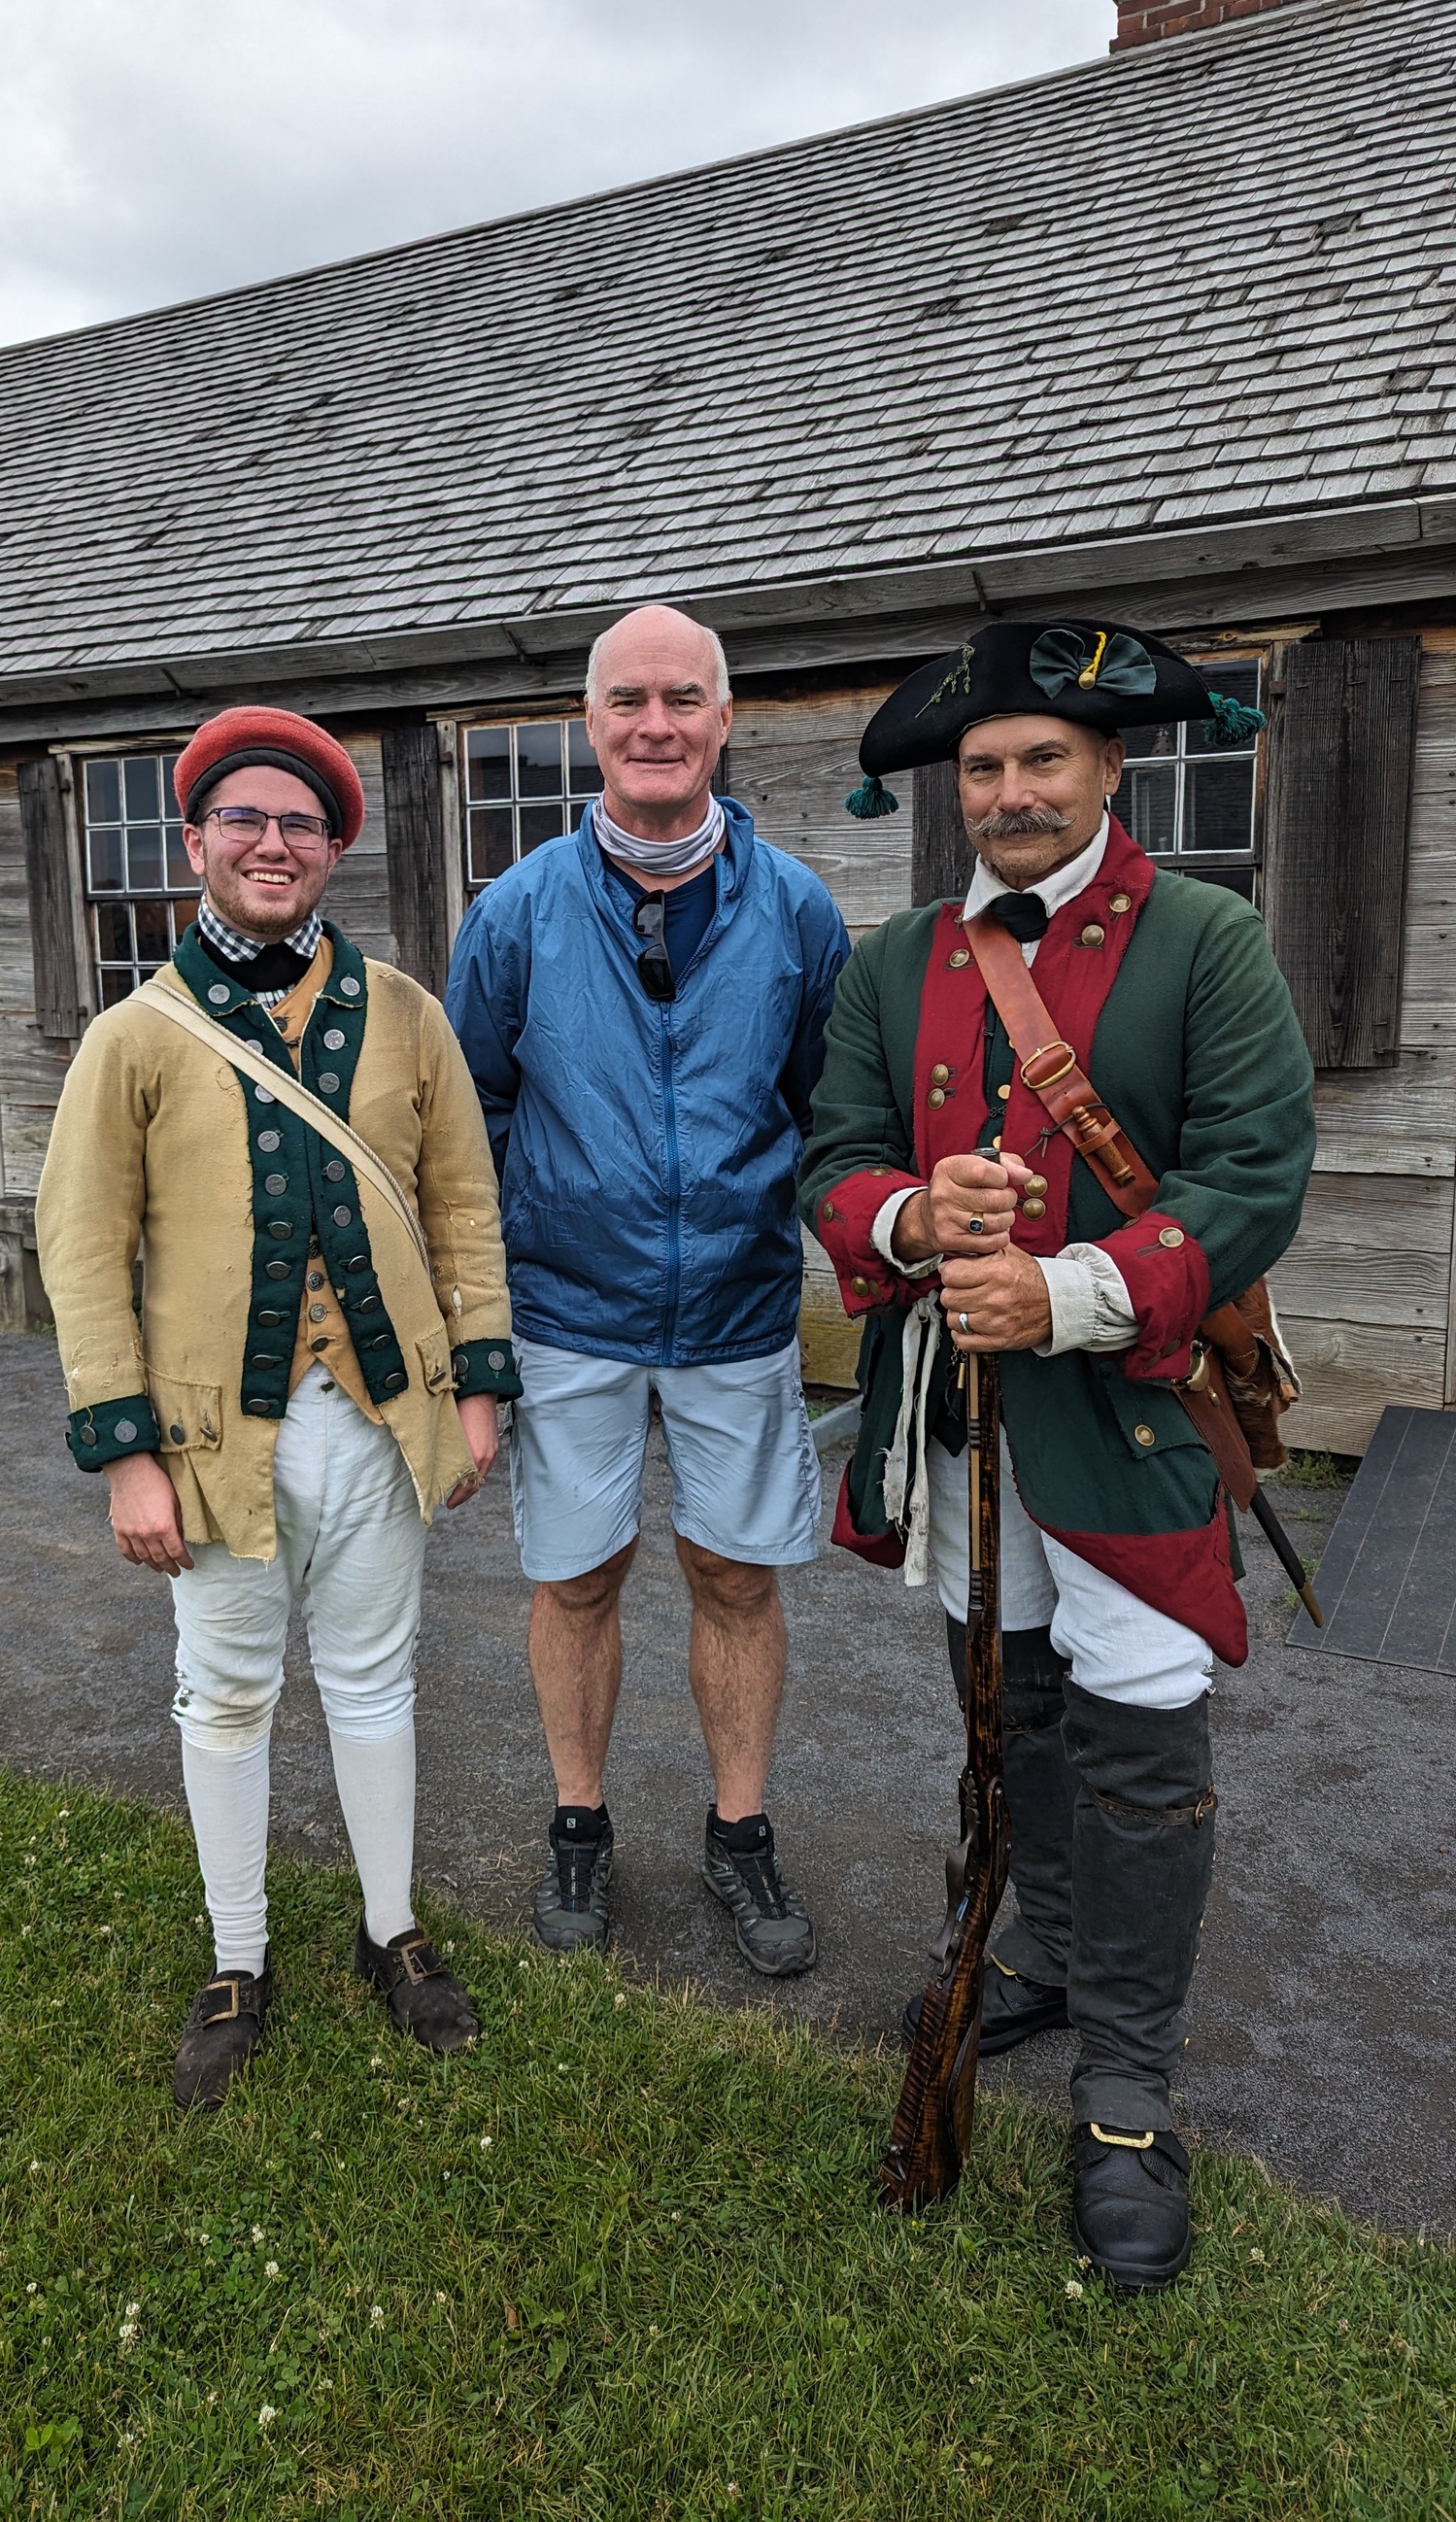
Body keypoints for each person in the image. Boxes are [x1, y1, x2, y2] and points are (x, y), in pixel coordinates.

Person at [800, 621, 1313, 2289]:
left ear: (1107, 768)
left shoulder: (1206, 937)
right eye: (983, 768)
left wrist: (1071, 1290)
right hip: (960, 1418)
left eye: (1043, 760)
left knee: (1140, 1740)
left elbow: (1253, 1178)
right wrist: (912, 1213)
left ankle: (1128, 2096)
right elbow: (836, 1158)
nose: (1011, 792)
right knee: (1010, 1700)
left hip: (1132, 1410)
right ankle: (1051, 1952)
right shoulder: (896, 961)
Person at [36, 706, 521, 2106]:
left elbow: (464, 1209)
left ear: (332, 850)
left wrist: (479, 1387)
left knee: (375, 1678)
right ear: (195, 841)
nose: (271, 843)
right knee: (228, 1692)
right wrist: (124, 1455)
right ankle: (238, 1955)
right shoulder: (135, 1035)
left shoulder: (409, 1014)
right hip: (211, 1439)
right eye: (242, 818)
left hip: (382, 1417)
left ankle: (391, 1929)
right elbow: (82, 1253)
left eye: (299, 823)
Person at [445, 604, 850, 1975]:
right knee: (578, 1576)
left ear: (725, 721)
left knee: (735, 1574)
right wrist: (488, 1308)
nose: (656, 724)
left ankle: (740, 1832)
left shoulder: (795, 911)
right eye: (629, 700)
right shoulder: (515, 913)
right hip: (571, 1311)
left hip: (738, 1308)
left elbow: (829, 1111)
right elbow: (470, 1121)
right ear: (591, 722)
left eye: (683, 698)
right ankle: (580, 1821)